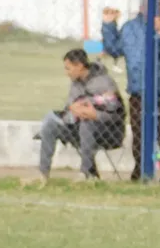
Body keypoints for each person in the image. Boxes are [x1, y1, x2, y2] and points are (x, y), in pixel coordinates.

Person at [101, 0, 160, 182]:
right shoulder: (130, 28)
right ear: (141, 7)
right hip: (140, 89)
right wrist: (109, 26)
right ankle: (141, 171)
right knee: (140, 133)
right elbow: (114, 49)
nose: (153, 8)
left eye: (157, 3)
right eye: (147, 5)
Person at [37, 49, 125, 182]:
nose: (66, 73)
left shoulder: (105, 82)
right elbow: (69, 106)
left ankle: (85, 174)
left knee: (87, 123)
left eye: (68, 68)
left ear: (79, 66)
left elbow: (117, 115)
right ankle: (43, 174)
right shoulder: (76, 83)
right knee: (51, 125)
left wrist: (96, 115)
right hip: (78, 126)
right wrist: (73, 110)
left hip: (108, 131)